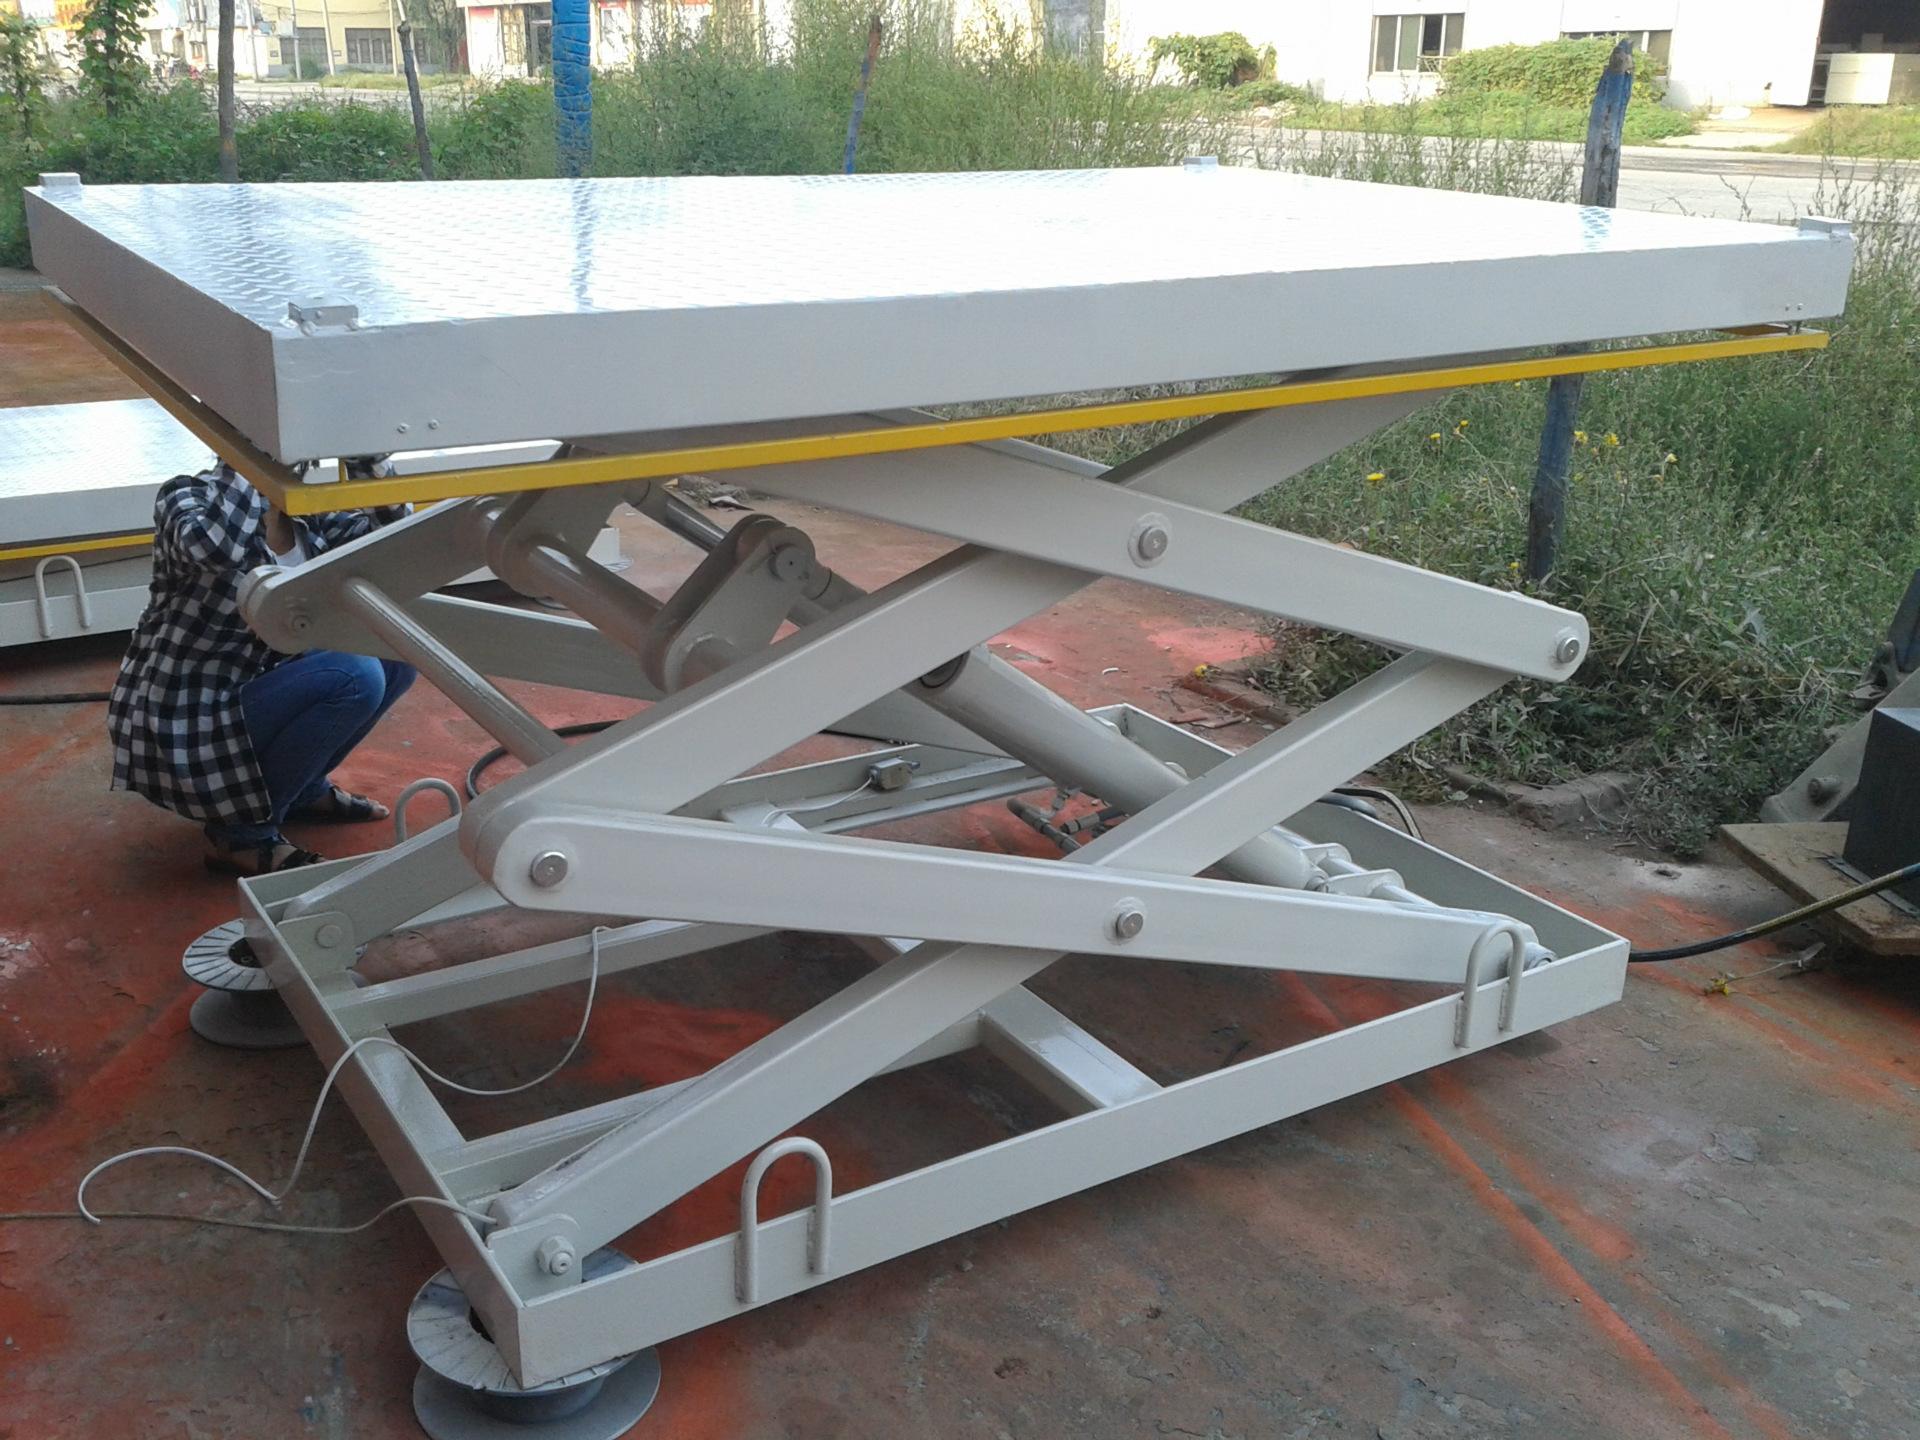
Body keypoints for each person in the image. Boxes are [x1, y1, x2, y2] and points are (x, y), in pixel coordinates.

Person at [108, 458, 416, 876]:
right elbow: (218, 548)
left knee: (395, 655)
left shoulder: (304, 515)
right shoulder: (184, 497)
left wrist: (368, 461)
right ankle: (241, 836)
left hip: (256, 690)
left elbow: (391, 549)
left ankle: (302, 789)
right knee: (354, 676)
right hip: (190, 716)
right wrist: (252, 458)